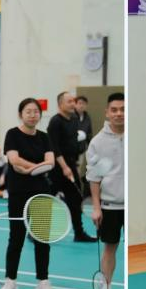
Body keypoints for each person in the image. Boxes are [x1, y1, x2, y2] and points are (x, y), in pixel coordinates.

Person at [0, 98, 56, 289]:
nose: (32, 115)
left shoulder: (45, 137)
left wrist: (28, 169)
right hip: (18, 193)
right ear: (20, 114)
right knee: (16, 237)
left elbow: (51, 162)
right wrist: (38, 168)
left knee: (42, 238)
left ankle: (43, 282)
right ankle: (10, 281)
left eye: (36, 111)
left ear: (40, 115)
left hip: (41, 192)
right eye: (28, 111)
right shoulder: (12, 134)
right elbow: (13, 160)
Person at [87, 93, 124, 289]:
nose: (119, 113)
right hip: (110, 205)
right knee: (110, 248)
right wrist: (96, 207)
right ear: (107, 112)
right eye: (115, 110)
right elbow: (94, 177)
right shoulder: (98, 142)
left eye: (123, 109)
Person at [47, 92, 96, 243]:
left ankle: (79, 233)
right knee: (46, 199)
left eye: (73, 101)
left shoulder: (74, 119)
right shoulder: (55, 122)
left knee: (75, 199)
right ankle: (37, 231)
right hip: (56, 167)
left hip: (70, 164)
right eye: (69, 101)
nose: (72, 104)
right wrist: (64, 167)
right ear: (60, 104)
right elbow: (54, 147)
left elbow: (74, 143)